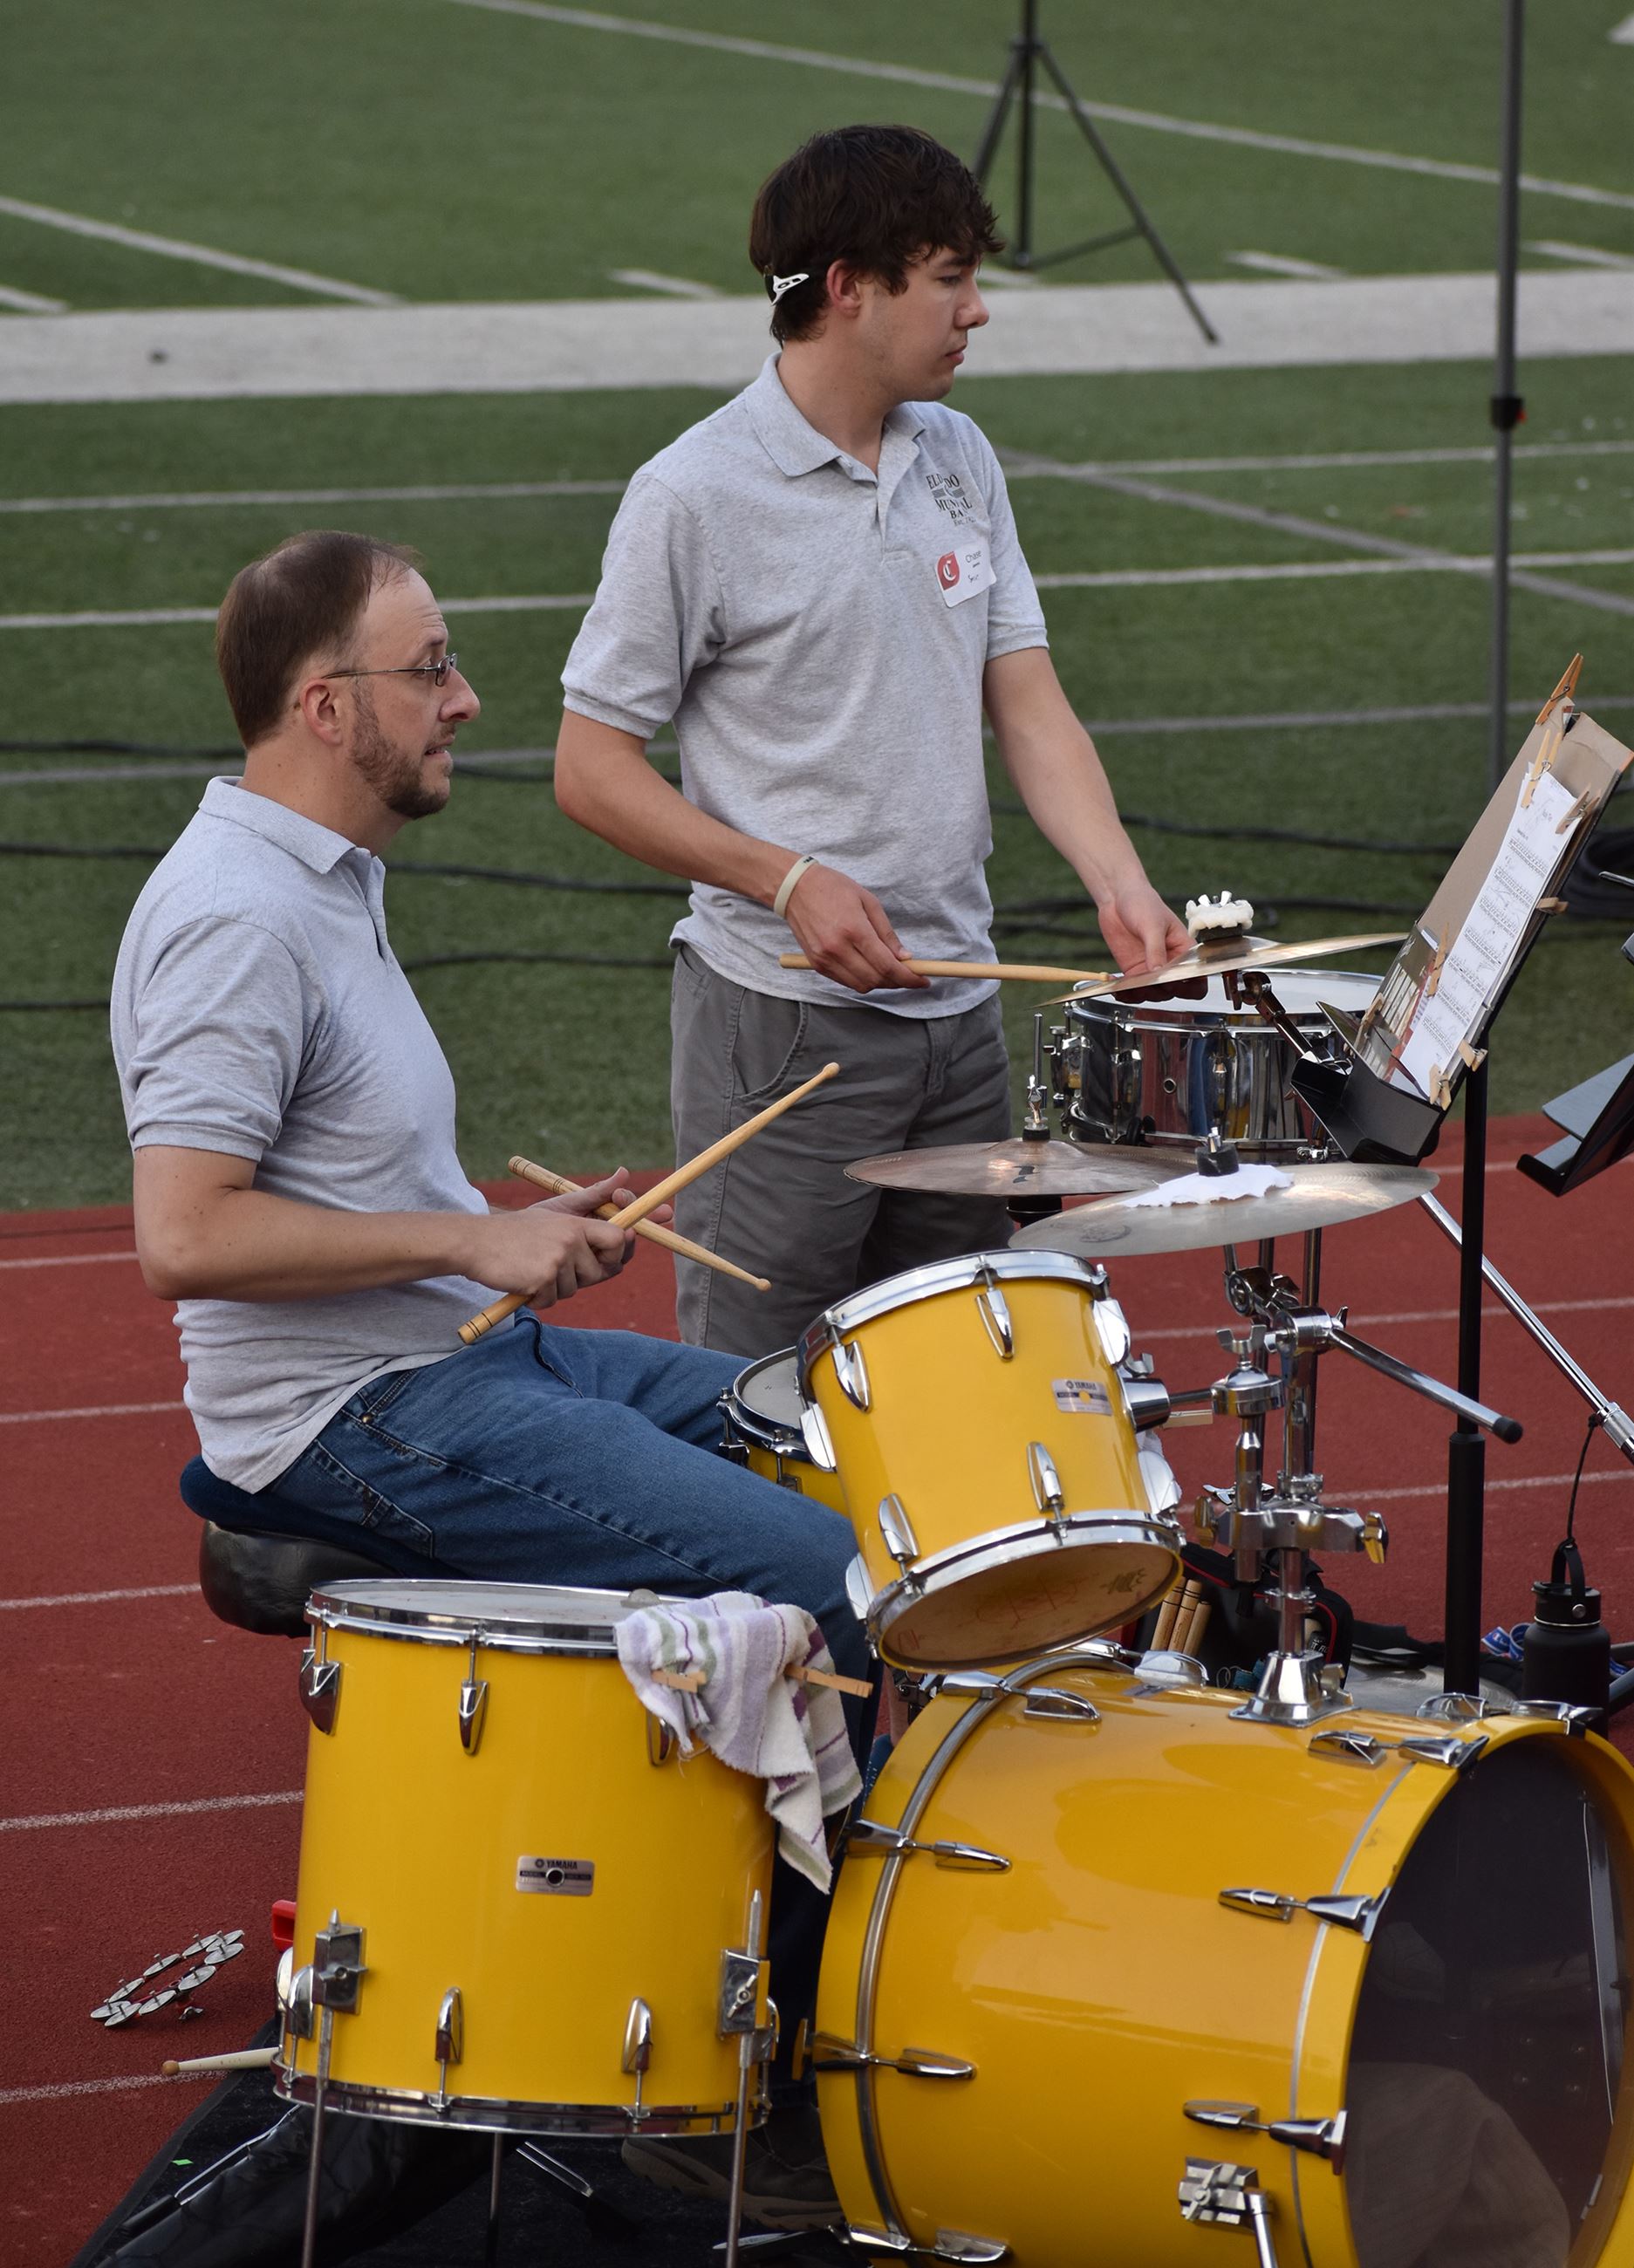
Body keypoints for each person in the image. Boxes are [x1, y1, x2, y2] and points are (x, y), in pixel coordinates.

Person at [109, 529, 869, 2227]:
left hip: (457, 1350)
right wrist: (467, 1250)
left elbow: (345, 1181)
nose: (466, 697)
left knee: (839, 1437)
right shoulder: (236, 920)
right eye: (431, 668)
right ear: (326, 703)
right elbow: (185, 1232)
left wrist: (508, 1231)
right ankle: (800, 2066)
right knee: (824, 1573)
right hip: (350, 1419)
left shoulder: (324, 878)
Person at [557, 123, 1186, 1356]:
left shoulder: (957, 454)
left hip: (958, 1012)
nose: (977, 311)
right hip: (784, 1033)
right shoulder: (692, 496)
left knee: (957, 1369)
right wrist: (783, 881)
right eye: (947, 276)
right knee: (760, 1391)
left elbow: (1025, 696)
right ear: (849, 289)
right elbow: (589, 769)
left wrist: (1120, 882)